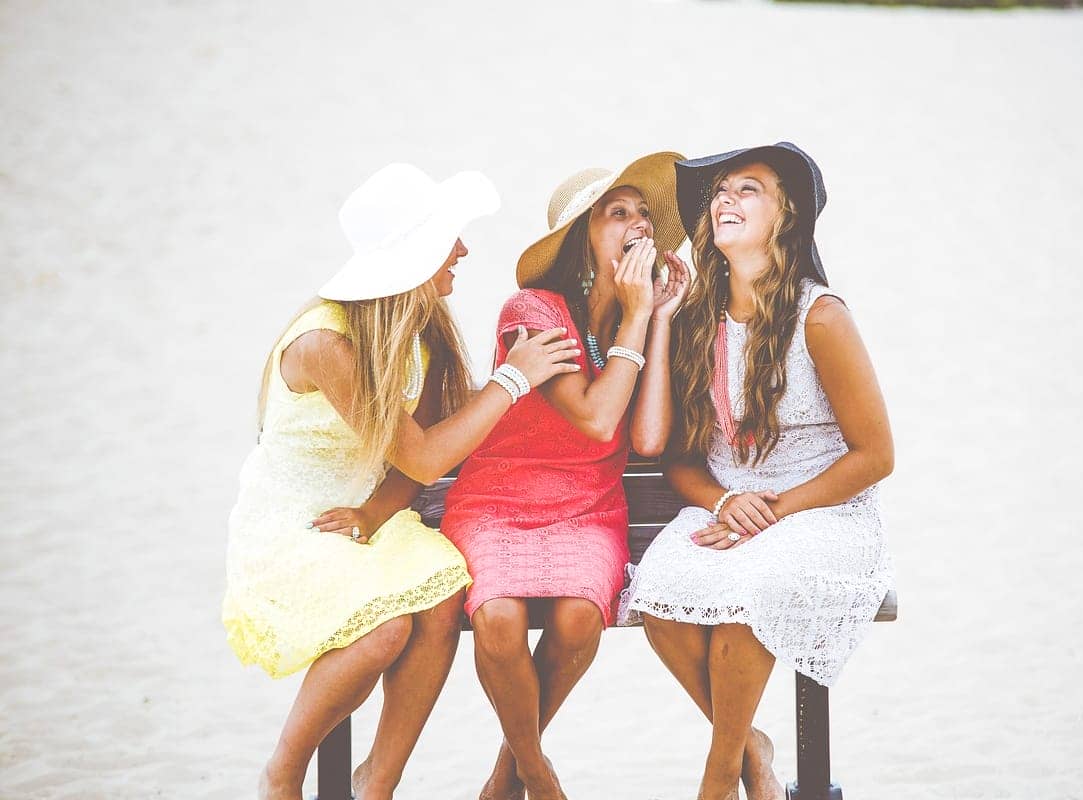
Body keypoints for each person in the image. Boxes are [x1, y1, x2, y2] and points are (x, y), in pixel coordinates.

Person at [222, 163, 580, 800]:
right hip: (298, 520)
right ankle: (283, 773)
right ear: (414, 254)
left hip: (368, 514)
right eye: (450, 238)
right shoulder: (326, 343)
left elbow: (419, 452)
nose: (464, 250)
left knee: (441, 600)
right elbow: (421, 457)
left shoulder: (422, 323)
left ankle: (377, 783)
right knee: (385, 628)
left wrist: (376, 512)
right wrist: (512, 380)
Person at [619, 143, 896, 800]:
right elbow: (679, 459)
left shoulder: (821, 318)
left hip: (824, 511)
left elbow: (875, 456)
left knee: (750, 595)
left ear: (785, 216)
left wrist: (774, 510)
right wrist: (723, 501)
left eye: (747, 190)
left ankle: (719, 780)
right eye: (719, 192)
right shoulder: (695, 321)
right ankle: (751, 753)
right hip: (729, 512)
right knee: (660, 595)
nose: (725, 201)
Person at [441, 151, 690, 800]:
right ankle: (538, 775)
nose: (637, 225)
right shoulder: (532, 312)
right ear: (584, 236)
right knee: (496, 617)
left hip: (587, 508)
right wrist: (639, 314)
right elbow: (593, 418)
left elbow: (645, 437)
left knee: (582, 618)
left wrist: (657, 319)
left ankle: (506, 774)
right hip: (499, 502)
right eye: (617, 213)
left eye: (643, 215)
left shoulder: (634, 318)